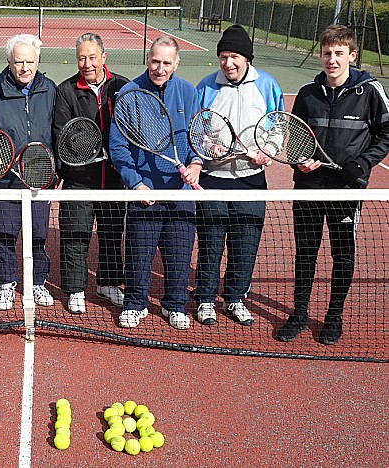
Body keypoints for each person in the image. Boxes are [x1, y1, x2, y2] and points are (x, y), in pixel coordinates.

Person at [276, 25, 389, 345]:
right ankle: (298, 314)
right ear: (321, 55)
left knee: (342, 253)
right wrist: (301, 159)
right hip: (309, 186)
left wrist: (362, 164)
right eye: (327, 53)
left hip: (346, 189)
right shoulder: (309, 94)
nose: (332, 60)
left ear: (352, 56)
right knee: (306, 252)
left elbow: (387, 132)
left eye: (339, 54)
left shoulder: (369, 91)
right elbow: (295, 135)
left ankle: (333, 316)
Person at [193, 25, 283, 327]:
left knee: (245, 245)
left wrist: (266, 151)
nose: (228, 63)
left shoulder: (268, 86)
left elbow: (278, 127)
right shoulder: (206, 87)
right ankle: (205, 298)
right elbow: (197, 130)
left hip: (251, 180)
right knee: (210, 244)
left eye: (234, 56)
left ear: (247, 58)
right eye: (223, 56)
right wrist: (210, 148)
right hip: (213, 179)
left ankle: (235, 298)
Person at [110, 36, 202, 329]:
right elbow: (119, 147)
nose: (159, 68)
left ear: (176, 63)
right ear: (147, 60)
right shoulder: (129, 93)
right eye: (155, 61)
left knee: (178, 255)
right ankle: (135, 303)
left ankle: (175, 305)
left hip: (181, 194)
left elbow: (197, 137)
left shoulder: (188, 92)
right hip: (144, 192)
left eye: (166, 63)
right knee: (139, 256)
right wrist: (136, 184)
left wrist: (196, 164)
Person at [52, 33, 128, 314]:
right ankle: (75, 289)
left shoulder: (122, 86)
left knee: (111, 233)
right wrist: (90, 150)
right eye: (82, 58)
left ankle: (108, 284)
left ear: (103, 57)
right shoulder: (66, 91)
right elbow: (62, 134)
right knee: (76, 234)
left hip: (113, 180)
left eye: (92, 57)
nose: (87, 63)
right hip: (79, 180)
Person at [0, 34, 57, 311]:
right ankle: (5, 283)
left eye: (30, 62)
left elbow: (55, 131)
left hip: (39, 176)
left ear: (37, 62)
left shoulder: (49, 88)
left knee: (38, 235)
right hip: (5, 178)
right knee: (3, 235)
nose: (25, 68)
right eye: (19, 62)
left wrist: (54, 171)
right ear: (9, 62)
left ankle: (37, 282)